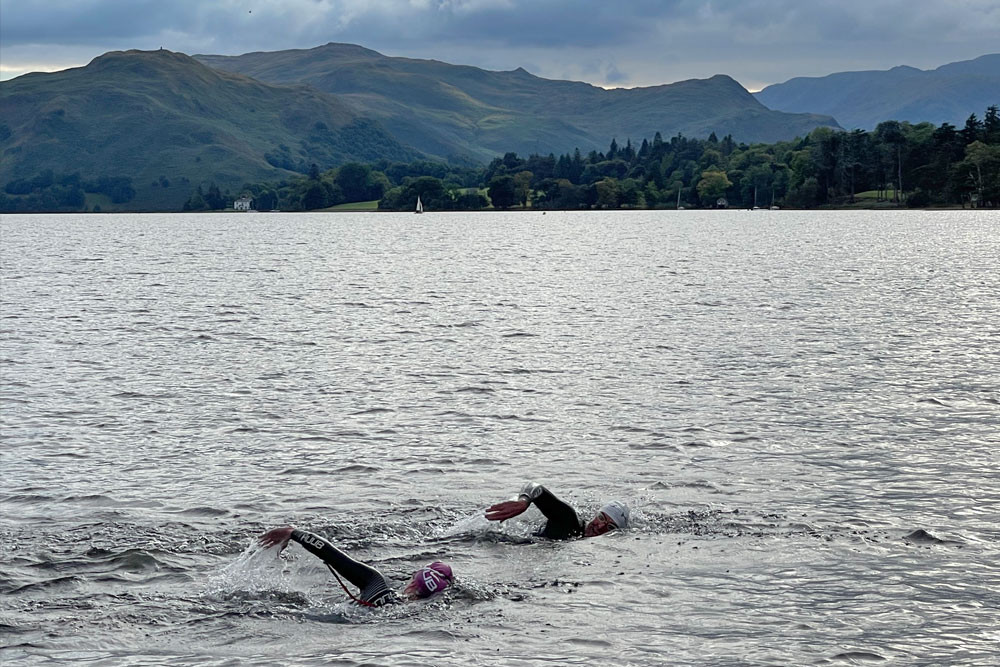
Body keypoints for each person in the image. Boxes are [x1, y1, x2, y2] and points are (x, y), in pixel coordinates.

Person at [258, 526, 453, 607]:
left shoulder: (377, 585)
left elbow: (333, 556)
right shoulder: (424, 607)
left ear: (413, 583)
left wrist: (293, 533)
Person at [484, 482, 629, 539]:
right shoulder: (569, 520)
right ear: (596, 514)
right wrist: (523, 501)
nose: (600, 526)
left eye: (610, 527)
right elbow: (535, 487)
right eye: (602, 518)